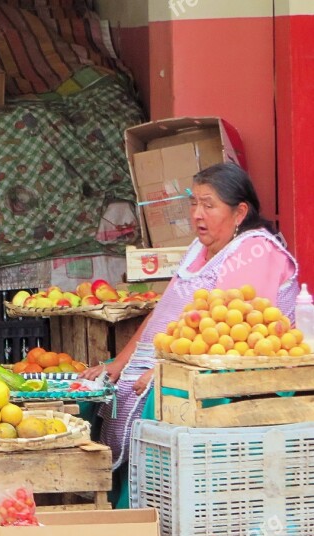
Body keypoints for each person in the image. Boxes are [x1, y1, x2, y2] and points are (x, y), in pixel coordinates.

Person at [81, 162, 300, 506]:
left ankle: (147, 508)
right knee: (95, 387)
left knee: (153, 397)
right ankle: (100, 498)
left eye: (209, 205)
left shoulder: (256, 251)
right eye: (194, 203)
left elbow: (231, 336)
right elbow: (165, 310)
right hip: (176, 357)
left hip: (231, 375)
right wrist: (120, 361)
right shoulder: (201, 248)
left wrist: (164, 371)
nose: (197, 214)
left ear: (240, 211)